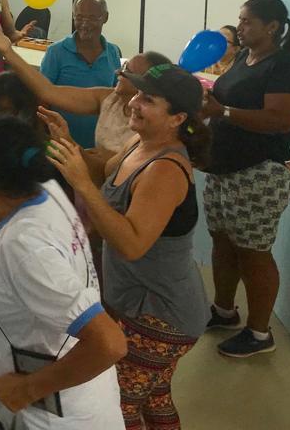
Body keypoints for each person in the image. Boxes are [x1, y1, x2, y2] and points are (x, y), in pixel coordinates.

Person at [0, 114, 126, 429]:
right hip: (50, 392)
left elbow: (109, 343)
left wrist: (26, 389)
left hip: (57, 416)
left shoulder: (27, 249)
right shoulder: (40, 190)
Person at [48, 63, 210, 429]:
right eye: (137, 93)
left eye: (148, 99)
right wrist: (70, 147)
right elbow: (103, 177)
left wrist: (81, 185)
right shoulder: (140, 142)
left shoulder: (164, 169)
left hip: (161, 315)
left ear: (177, 118)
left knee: (116, 407)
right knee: (155, 398)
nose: (133, 102)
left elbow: (131, 244)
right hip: (144, 303)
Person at [200, 0, 290, 358]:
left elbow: (280, 120)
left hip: (259, 173)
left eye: (247, 21)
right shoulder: (244, 58)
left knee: (253, 253)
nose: (240, 27)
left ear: (272, 27)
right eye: (240, 20)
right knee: (222, 243)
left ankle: (260, 334)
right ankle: (224, 311)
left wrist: (224, 112)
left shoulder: (285, 68)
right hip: (223, 170)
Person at [0, 27, 170, 184]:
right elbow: (48, 91)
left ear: (147, 84)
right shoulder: (107, 98)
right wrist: (8, 52)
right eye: (123, 67)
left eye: (129, 71)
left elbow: (111, 169)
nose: (118, 72)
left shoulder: (153, 121)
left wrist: (74, 146)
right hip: (98, 181)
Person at [38, 0, 122, 149]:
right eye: (79, 17)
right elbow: (42, 97)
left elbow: (116, 97)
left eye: (92, 18)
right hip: (61, 145)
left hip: (99, 146)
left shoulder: (113, 52)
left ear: (105, 17)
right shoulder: (56, 52)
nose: (85, 24)